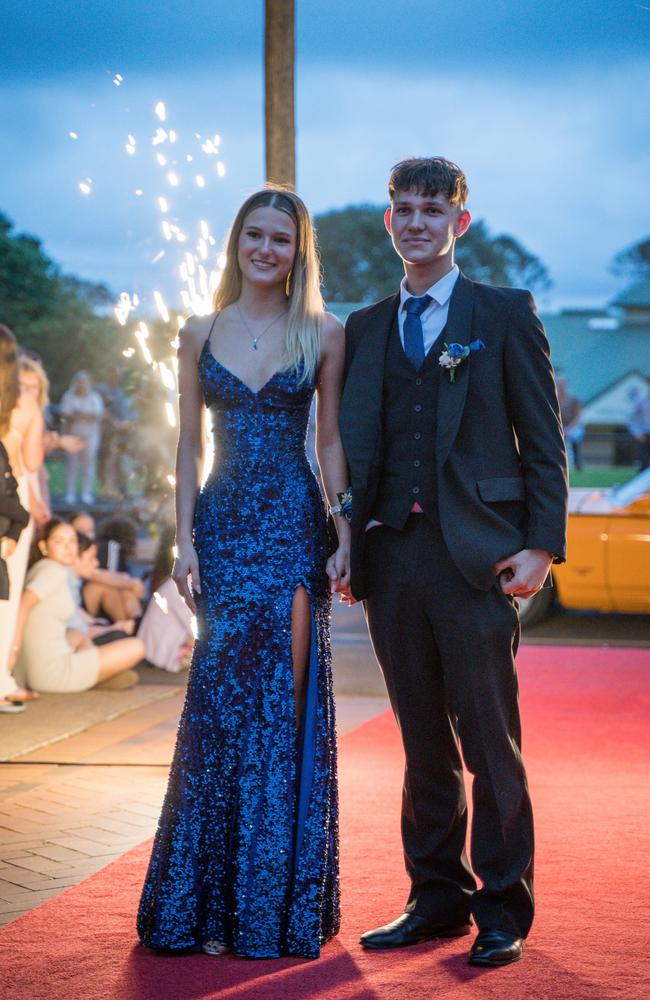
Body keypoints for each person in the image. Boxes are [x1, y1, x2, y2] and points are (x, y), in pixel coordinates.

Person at [333, 158, 568, 968]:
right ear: (389, 219)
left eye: (433, 210)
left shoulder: (502, 312)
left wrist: (541, 543)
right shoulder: (364, 326)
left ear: (459, 223)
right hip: (392, 558)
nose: (417, 223)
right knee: (423, 743)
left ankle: (502, 909)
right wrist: (342, 535)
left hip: (480, 560)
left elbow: (544, 441)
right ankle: (435, 898)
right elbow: (351, 448)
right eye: (403, 209)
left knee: (491, 743)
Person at [137, 186, 349, 959]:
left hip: (294, 530)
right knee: (218, 709)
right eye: (254, 235)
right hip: (223, 530)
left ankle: (273, 910)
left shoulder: (325, 332)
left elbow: (327, 443)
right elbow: (188, 447)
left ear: (299, 253)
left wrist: (345, 525)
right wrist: (182, 541)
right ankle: (199, 909)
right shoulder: (197, 332)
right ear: (236, 244)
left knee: (283, 714)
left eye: (281, 239)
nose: (266, 248)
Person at [11, 518, 145, 693]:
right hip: (52, 673)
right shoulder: (55, 572)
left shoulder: (44, 568)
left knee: (77, 635)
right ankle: (95, 679)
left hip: (40, 667)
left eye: (72, 541)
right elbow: (24, 603)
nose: (68, 548)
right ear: (44, 547)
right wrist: (14, 647)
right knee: (138, 646)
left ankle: (94, 675)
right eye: (59, 541)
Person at [0, 325, 44, 709]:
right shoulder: (23, 403)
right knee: (6, 592)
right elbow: (31, 461)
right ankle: (1, 679)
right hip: (10, 500)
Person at [59, 370, 104, 505]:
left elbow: (96, 415)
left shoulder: (95, 397)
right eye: (80, 381)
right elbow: (65, 415)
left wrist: (79, 415)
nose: (82, 384)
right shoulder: (69, 396)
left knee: (88, 464)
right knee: (72, 465)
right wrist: (83, 416)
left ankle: (86, 493)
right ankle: (70, 493)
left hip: (91, 436)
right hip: (73, 435)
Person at [556, 371, 584, 471]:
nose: (561, 387)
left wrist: (569, 430)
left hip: (572, 426)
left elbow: (578, 416)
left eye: (562, 384)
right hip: (559, 426)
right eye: (559, 384)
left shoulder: (573, 399)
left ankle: (577, 463)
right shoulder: (553, 398)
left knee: (575, 436)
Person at [628, 375, 650, 470]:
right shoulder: (641, 401)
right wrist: (637, 433)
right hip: (645, 435)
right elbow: (631, 418)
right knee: (644, 465)